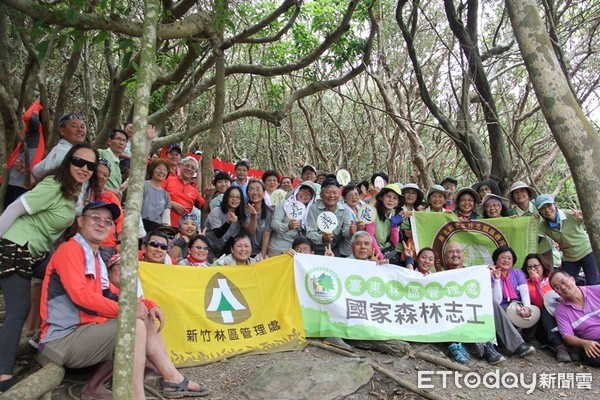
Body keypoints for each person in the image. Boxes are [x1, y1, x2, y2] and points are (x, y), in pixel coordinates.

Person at [38, 201, 209, 399]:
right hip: (61, 340)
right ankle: (134, 395)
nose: (102, 224)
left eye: (108, 221)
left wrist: (147, 304)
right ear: (80, 221)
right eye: (95, 218)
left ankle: (173, 379)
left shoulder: (93, 256)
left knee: (142, 314)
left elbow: (112, 292)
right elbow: (81, 297)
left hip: (85, 333)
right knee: (133, 322)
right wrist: (129, 310)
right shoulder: (70, 250)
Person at [0, 143, 100, 392]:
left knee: (69, 280)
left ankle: (60, 338)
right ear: (68, 161)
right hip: (16, 246)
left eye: (90, 165)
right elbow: (14, 208)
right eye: (79, 162)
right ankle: (2, 375)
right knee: (18, 310)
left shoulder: (72, 192)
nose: (84, 168)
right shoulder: (54, 184)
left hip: (37, 253)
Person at [442, 242, 535, 365]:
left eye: (458, 251)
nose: (455, 254)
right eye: (451, 252)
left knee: (490, 304)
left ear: (464, 255)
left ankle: (516, 345)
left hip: (475, 307)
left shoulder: (472, 272)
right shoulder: (439, 273)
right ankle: (486, 349)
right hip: (452, 310)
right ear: (445, 255)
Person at [535, 194, 599, 285]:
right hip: (569, 257)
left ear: (554, 205)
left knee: (593, 283)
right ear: (539, 212)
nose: (547, 210)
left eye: (549, 206)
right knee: (564, 284)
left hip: (586, 251)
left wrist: (583, 218)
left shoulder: (570, 214)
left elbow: (586, 221)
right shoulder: (543, 225)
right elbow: (535, 239)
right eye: (543, 208)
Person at [521, 254, 571, 362]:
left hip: (563, 318)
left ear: (543, 266)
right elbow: (542, 303)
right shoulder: (526, 284)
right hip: (542, 324)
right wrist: (536, 283)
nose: (533, 269)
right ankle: (559, 346)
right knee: (545, 309)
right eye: (529, 267)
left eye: (536, 266)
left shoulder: (553, 281)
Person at [3, 101, 51, 208]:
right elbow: (30, 117)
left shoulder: (51, 142)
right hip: (18, 183)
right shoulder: (35, 132)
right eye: (51, 120)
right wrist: (37, 104)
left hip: (31, 185)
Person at [551, 270, 600, 367]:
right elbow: (567, 336)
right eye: (557, 288)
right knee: (594, 357)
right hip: (592, 341)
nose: (563, 288)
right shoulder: (561, 310)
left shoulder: (596, 290)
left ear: (572, 280)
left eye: (563, 282)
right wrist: (585, 343)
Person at [306, 178, 356, 256]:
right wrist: (322, 238)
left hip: (335, 248)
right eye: (327, 192)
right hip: (316, 248)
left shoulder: (344, 210)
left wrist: (350, 231)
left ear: (339, 195)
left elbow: (345, 231)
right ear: (321, 195)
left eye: (335, 192)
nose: (331, 195)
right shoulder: (314, 209)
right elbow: (310, 233)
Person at [31, 113, 87, 182]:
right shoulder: (65, 152)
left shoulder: (59, 149)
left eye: (82, 127)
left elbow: (36, 171)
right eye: (74, 126)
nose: (80, 130)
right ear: (62, 131)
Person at [268, 182, 316, 256]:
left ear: (311, 198)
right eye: (303, 191)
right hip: (277, 248)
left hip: (296, 251)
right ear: (297, 191)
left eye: (309, 194)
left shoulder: (310, 212)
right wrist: (288, 226)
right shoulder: (284, 204)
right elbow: (274, 224)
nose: (305, 194)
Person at [93, 158, 124, 263]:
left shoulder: (111, 196)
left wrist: (119, 243)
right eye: (98, 172)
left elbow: (120, 221)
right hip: (85, 242)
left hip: (107, 246)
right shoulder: (83, 194)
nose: (101, 176)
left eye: (105, 175)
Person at [162, 156, 205, 228]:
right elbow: (156, 196)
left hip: (182, 229)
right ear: (180, 166)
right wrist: (172, 204)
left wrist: (209, 196)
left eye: (192, 168)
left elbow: (204, 208)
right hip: (163, 224)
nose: (189, 169)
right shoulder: (168, 179)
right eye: (187, 165)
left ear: (195, 172)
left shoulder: (194, 191)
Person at [204, 186, 247, 258]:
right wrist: (228, 222)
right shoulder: (216, 211)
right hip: (207, 247)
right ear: (226, 197)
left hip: (223, 250)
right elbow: (218, 233)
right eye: (231, 196)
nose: (234, 199)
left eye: (238, 197)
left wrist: (222, 258)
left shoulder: (240, 217)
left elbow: (231, 240)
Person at [365, 184, 404, 262]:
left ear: (398, 202)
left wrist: (394, 226)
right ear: (381, 197)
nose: (391, 200)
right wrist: (381, 257)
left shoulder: (394, 214)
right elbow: (370, 236)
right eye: (388, 196)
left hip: (387, 252)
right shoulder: (373, 212)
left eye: (395, 198)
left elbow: (394, 242)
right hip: (373, 254)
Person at [141, 158, 172, 233]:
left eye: (165, 170)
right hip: (141, 224)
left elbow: (166, 218)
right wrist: (140, 229)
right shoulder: (143, 186)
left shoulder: (166, 195)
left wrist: (166, 232)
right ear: (152, 170)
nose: (162, 172)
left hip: (157, 229)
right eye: (159, 168)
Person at [245, 180, 272, 259]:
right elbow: (251, 231)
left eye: (258, 189)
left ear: (264, 193)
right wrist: (254, 216)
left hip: (261, 253)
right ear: (247, 193)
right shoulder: (243, 210)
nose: (255, 192)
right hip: (244, 251)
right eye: (251, 189)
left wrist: (261, 256)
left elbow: (266, 235)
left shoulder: (269, 211)